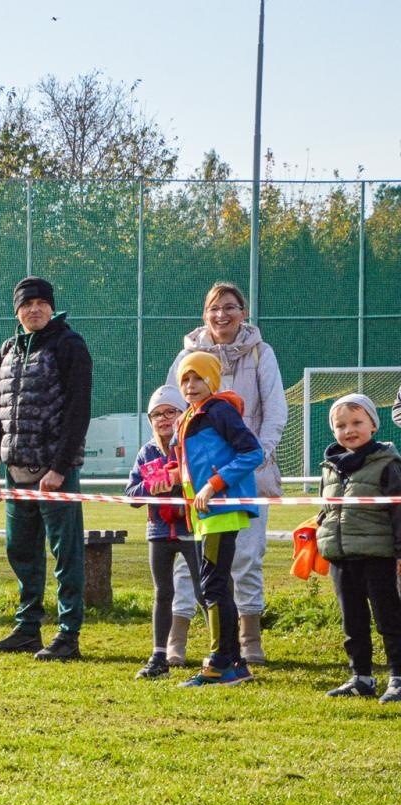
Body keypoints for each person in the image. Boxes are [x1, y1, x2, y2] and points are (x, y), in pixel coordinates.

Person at [165, 282, 285, 667]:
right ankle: (179, 636)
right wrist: (170, 461)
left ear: (243, 312)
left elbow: (275, 412)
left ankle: (248, 638)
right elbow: (171, 411)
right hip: (197, 485)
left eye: (231, 307)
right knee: (191, 561)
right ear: (205, 314)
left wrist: (258, 459)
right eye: (215, 308)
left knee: (247, 556)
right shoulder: (186, 357)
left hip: (246, 477)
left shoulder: (261, 353)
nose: (222, 315)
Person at [0, 276, 93, 662]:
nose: (34, 309)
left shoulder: (69, 345)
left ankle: (68, 633)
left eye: (41, 303)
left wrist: (60, 467)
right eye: (27, 304)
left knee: (66, 554)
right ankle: (28, 628)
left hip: (54, 473)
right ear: (17, 310)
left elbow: (79, 411)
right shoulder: (7, 350)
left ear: (51, 307)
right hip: (15, 470)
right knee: (21, 551)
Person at [172, 350, 262, 687]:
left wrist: (214, 484)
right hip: (201, 515)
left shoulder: (219, 410)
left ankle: (219, 664)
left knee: (212, 585)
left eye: (197, 378)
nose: (191, 385)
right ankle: (235, 664)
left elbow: (253, 452)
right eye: (185, 379)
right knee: (214, 585)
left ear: (212, 379)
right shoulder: (188, 417)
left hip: (221, 512)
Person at [316, 394, 401, 702]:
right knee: (352, 619)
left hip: (378, 556)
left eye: (356, 422)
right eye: (340, 425)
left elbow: (398, 512)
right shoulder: (330, 466)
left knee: (389, 618)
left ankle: (398, 676)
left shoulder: (388, 464)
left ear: (374, 426)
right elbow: (327, 509)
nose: (349, 430)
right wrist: (319, 532)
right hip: (341, 556)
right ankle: (361, 677)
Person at [125, 386, 201, 680]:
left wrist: (178, 482)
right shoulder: (147, 451)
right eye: (157, 414)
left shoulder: (192, 446)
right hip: (158, 531)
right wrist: (151, 486)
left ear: (182, 415)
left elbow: (203, 479)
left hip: (191, 530)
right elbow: (132, 495)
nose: (164, 419)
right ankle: (159, 657)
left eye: (170, 412)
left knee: (204, 590)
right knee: (163, 593)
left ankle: (223, 654)